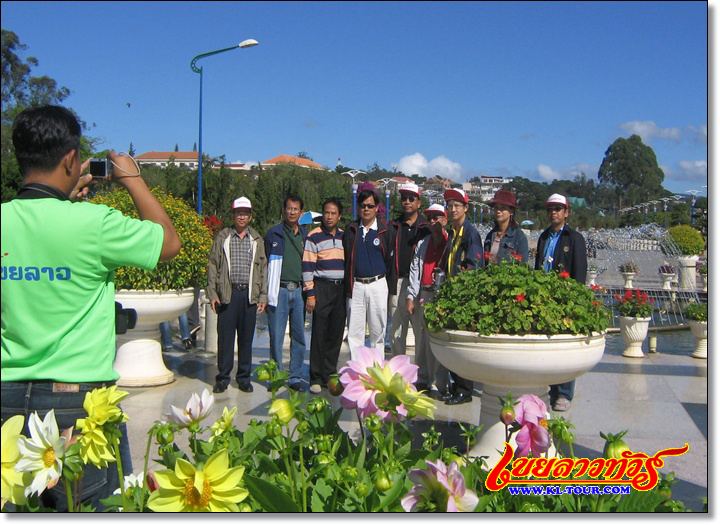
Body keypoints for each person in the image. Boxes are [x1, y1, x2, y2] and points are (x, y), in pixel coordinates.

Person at [1, 105, 181, 510]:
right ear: (70, 159)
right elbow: (169, 242)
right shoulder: (95, 223)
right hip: (77, 406)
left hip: (6, 400)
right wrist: (132, 178)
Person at [207, 197, 267, 394]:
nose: (242, 216)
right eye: (238, 212)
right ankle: (223, 378)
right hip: (228, 293)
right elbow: (213, 265)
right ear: (233, 215)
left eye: (246, 213)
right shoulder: (223, 237)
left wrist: (263, 296)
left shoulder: (256, 239)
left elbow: (263, 269)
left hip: (248, 295)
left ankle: (243, 378)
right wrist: (212, 293)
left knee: (246, 339)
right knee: (225, 338)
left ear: (250, 216)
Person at [534, 193, 588, 412]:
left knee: (564, 347)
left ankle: (564, 392)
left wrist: (575, 300)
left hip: (564, 299)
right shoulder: (544, 237)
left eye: (558, 209)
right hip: (544, 298)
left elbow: (579, 273)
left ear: (566, 213)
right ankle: (551, 389)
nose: (553, 213)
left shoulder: (574, 239)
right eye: (550, 209)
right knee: (548, 346)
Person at [441, 187, 484, 405]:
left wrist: (463, 291)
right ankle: (456, 384)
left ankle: (464, 390)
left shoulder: (470, 233)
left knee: (462, 343)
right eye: (450, 206)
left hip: (463, 296)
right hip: (452, 293)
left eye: (457, 205)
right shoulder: (454, 232)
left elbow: (474, 266)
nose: (452, 209)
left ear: (466, 208)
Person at [343, 189, 395, 360]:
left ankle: (376, 372)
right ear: (358, 208)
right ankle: (357, 374)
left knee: (377, 333)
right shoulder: (351, 229)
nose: (366, 209)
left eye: (370, 206)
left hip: (378, 284)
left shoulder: (385, 231)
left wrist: (391, 291)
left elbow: (390, 261)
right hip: (356, 286)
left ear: (377, 208)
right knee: (354, 334)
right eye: (363, 206)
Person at [406, 204, 450, 399]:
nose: (433, 222)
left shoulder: (451, 242)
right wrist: (411, 296)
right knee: (422, 339)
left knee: (439, 339)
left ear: (445, 220)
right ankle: (422, 377)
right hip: (424, 293)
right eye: (430, 218)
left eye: (437, 217)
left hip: (442, 296)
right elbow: (415, 270)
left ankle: (438, 382)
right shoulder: (423, 243)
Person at [265, 194, 309, 391]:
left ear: (301, 212)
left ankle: (295, 376)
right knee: (276, 336)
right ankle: (276, 375)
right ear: (283, 210)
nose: (292, 212)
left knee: (299, 336)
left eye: (296, 209)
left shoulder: (306, 236)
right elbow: (265, 263)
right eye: (289, 208)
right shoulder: (273, 234)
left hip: (299, 291)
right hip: (279, 291)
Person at [302, 198, 346, 394]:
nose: (329, 216)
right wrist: (310, 292)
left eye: (333, 213)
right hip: (321, 287)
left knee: (335, 334)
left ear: (339, 216)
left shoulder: (345, 236)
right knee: (319, 333)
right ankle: (316, 376)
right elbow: (308, 266)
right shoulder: (314, 236)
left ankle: (330, 374)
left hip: (340, 289)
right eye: (327, 213)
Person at [388, 183, 429, 358]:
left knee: (420, 331)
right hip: (397, 282)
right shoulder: (394, 226)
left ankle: (420, 373)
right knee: (396, 331)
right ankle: (399, 370)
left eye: (411, 198)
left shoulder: (426, 228)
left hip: (419, 285)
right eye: (404, 198)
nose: (407, 202)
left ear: (419, 203)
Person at [483, 189, 529, 263]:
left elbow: (523, 265)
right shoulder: (491, 235)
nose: (498, 211)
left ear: (511, 211)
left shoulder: (519, 237)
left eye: (503, 208)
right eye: (496, 207)